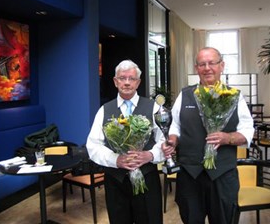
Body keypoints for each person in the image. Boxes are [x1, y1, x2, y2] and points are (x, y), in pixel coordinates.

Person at [162, 47, 254, 224]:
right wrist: (172, 140)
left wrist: (228, 138)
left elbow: (248, 130)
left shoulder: (235, 96)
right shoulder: (185, 95)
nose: (207, 68)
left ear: (222, 66)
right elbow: (175, 125)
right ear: (197, 68)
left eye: (212, 63)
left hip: (223, 176)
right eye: (202, 64)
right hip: (189, 175)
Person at [86, 59, 165, 224]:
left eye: (131, 78)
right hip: (116, 182)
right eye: (122, 78)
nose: (127, 82)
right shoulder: (104, 110)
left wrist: (150, 155)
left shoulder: (154, 108)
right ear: (115, 81)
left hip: (148, 180)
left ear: (138, 82)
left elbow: (164, 140)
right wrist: (116, 160)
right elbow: (93, 146)